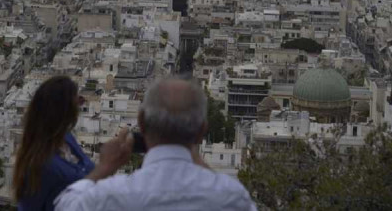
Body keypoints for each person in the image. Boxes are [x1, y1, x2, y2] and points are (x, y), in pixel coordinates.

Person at [55, 76, 257, 211]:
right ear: (201, 131)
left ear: (141, 123)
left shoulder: (110, 197)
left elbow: (65, 205)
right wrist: (196, 157)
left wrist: (106, 167)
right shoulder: (232, 198)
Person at [13, 76, 94, 211]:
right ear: (62, 109)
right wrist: (107, 165)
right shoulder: (39, 164)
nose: (80, 103)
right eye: (76, 98)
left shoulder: (66, 139)